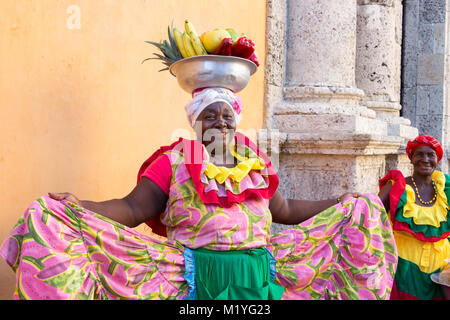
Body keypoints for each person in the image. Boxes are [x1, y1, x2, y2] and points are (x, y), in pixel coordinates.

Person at [0, 87, 397, 300]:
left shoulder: (255, 162)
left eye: (227, 115)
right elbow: (133, 207)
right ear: (195, 122)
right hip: (189, 278)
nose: (220, 122)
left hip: (258, 277)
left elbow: (287, 210)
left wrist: (341, 201)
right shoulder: (173, 162)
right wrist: (78, 206)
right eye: (210, 115)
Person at [378, 135, 450, 300]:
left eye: (430, 155)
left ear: (437, 159)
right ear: (411, 159)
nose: (425, 159)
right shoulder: (397, 187)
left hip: (441, 269)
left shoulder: (446, 188)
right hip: (404, 268)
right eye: (419, 154)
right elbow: (371, 211)